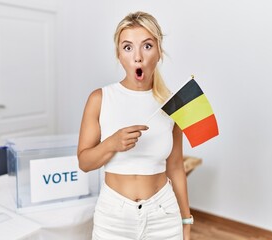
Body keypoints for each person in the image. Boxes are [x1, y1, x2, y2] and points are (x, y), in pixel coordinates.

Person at [77, 11, 192, 240]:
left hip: (164, 214)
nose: (137, 57)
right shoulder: (100, 99)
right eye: (128, 47)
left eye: (147, 46)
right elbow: (84, 163)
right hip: (113, 217)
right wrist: (111, 143)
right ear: (119, 54)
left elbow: (176, 166)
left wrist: (186, 220)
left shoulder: (173, 104)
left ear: (159, 51)